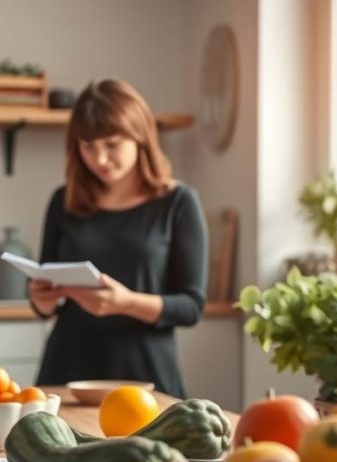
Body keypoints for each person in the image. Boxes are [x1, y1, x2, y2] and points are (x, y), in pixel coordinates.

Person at [29, 78, 208, 398]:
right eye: (88, 147)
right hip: (66, 372)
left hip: (145, 374)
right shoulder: (64, 201)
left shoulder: (178, 202)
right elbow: (46, 296)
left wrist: (127, 303)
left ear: (139, 136)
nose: (100, 159)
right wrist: (42, 301)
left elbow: (191, 307)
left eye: (111, 144)